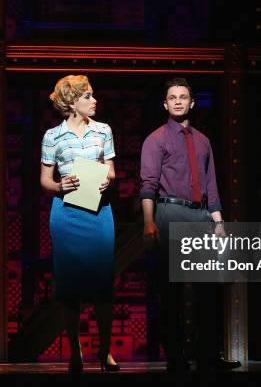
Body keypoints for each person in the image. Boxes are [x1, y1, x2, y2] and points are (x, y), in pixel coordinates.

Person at [140, 77, 242, 372]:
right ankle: (175, 356)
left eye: (183, 97)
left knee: (207, 289)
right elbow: (147, 184)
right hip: (170, 213)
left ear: (192, 102)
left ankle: (208, 354)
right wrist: (149, 223)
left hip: (200, 217)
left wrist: (219, 222)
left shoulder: (203, 140)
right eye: (172, 97)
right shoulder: (156, 139)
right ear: (165, 103)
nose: (177, 101)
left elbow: (211, 184)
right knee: (171, 290)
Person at [40, 75, 119, 373]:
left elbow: (112, 171)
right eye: (87, 96)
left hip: (99, 211)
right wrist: (61, 186)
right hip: (67, 212)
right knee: (69, 285)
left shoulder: (103, 130)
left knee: (102, 283)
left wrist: (105, 178)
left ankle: (105, 351)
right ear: (72, 102)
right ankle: (76, 352)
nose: (94, 100)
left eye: (93, 95)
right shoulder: (53, 136)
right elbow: (45, 180)